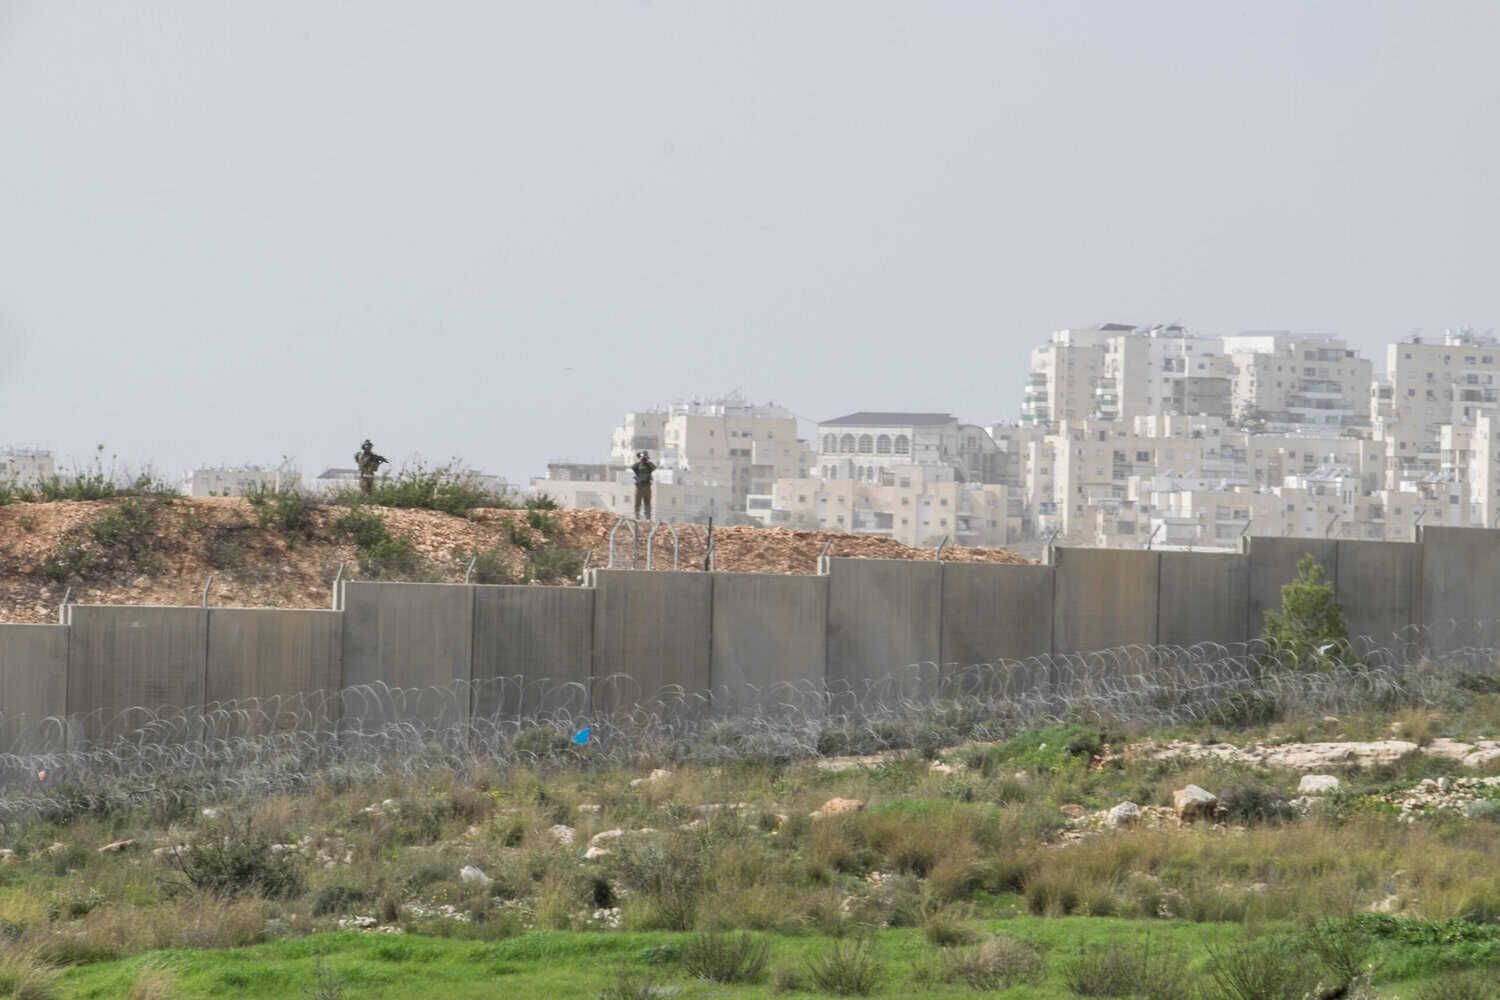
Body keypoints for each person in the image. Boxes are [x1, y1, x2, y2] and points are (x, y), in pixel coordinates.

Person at [631, 450, 656, 520]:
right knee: (637, 502)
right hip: (639, 486)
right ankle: (637, 516)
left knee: (647, 503)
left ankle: (648, 517)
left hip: (647, 486)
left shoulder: (649, 465)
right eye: (643, 456)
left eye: (645, 457)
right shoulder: (638, 464)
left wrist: (647, 461)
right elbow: (632, 467)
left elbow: (654, 467)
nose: (644, 458)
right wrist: (640, 460)